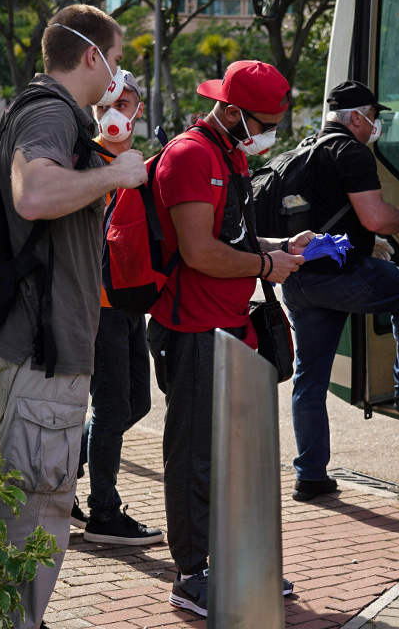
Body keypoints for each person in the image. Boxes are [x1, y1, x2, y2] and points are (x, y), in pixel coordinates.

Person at [0, 5, 147, 629]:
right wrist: (120, 173)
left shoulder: (52, 114)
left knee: (23, 496)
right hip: (43, 346)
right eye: (117, 57)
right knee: (37, 501)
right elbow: (36, 193)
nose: (120, 70)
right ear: (91, 57)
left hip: (38, 342)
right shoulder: (49, 111)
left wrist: (107, 152)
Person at [146, 60, 308, 617]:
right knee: (193, 456)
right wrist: (267, 265)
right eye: (263, 122)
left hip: (229, 326)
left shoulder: (230, 153)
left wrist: (284, 244)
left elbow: (230, 237)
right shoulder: (192, 156)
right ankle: (191, 575)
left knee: (231, 455)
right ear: (233, 111)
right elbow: (200, 252)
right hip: (191, 332)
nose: (267, 134)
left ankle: (231, 562)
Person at [281, 79, 399, 502]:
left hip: (299, 279)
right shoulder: (351, 152)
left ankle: (310, 475)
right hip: (339, 276)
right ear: (356, 118)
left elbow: (320, 221)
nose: (375, 125)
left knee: (309, 379)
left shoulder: (302, 150)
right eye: (374, 117)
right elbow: (377, 217)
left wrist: (364, 240)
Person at [68, 70, 163, 545]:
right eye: (107, 105)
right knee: (110, 407)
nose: (114, 114)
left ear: (137, 111)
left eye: (124, 106)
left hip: (130, 300)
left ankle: (69, 468)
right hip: (98, 304)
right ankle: (104, 511)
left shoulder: (137, 161)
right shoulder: (84, 158)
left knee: (136, 403)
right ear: (93, 109)